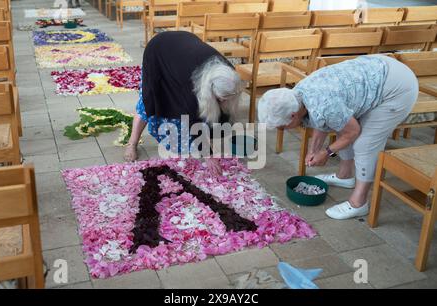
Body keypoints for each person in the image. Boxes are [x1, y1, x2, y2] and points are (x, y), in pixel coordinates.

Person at [258, 54, 418, 220]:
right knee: (342, 124)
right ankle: (345, 176)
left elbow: (352, 131)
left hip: (396, 88)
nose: (281, 130)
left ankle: (359, 203)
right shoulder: (297, 95)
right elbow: (323, 121)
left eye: (282, 126)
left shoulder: (325, 105)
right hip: (377, 72)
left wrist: (326, 152)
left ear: (293, 115)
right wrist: (314, 149)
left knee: (364, 144)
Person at [124, 31, 243, 176]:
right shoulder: (192, 84)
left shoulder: (229, 74)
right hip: (159, 51)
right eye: (220, 98)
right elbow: (193, 118)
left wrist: (211, 143)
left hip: (183, 51)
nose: (223, 102)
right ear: (208, 89)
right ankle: (132, 143)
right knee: (149, 102)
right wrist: (208, 155)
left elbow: (221, 110)